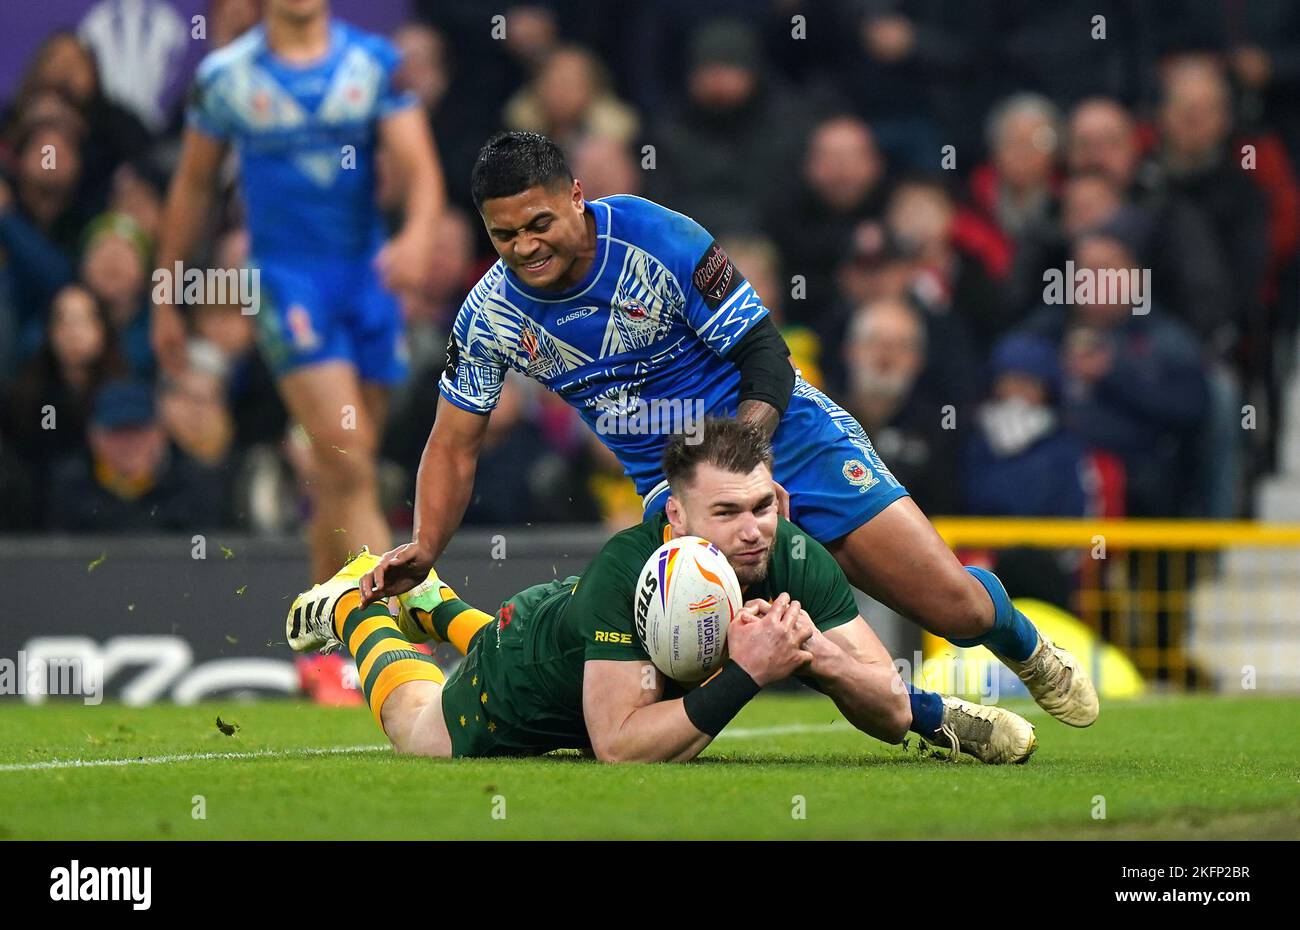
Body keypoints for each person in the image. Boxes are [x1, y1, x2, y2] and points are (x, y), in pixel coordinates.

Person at [361, 131, 1099, 732]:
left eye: (538, 224)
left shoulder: (658, 240)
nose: (523, 247)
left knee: (952, 607)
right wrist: (427, 544)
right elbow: (453, 442)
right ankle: (933, 718)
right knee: (737, 631)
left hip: (791, 438)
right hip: (675, 491)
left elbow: (766, 357)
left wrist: (743, 462)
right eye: (503, 235)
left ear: (576, 198)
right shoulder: (489, 314)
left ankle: (1025, 649)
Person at [291, 420, 1037, 763]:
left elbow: (884, 705)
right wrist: (748, 672)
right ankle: (357, 606)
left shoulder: (793, 556)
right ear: (675, 518)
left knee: (508, 637)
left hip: (576, 638)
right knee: (417, 727)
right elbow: (617, 746)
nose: (752, 533)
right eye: (726, 513)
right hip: (522, 682)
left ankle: (435, 603)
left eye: (761, 507)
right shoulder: (627, 564)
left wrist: (812, 657)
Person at [152, 0, 445, 583]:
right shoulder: (225, 77)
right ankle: (394, 647)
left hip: (367, 282)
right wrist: (166, 294)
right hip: (286, 284)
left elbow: (420, 170)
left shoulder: (373, 62)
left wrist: (418, 236)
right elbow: (193, 186)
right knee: (351, 459)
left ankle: (317, 647)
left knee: (341, 470)